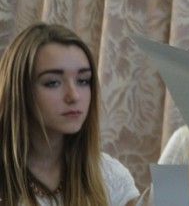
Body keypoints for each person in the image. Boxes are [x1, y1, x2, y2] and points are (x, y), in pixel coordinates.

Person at [0, 22, 140, 206]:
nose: (74, 96)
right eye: (53, 83)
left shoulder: (109, 177)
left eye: (83, 81)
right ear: (19, 91)